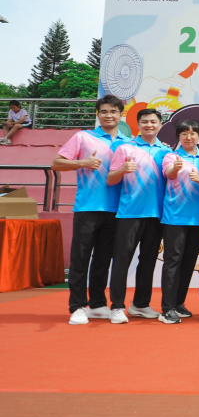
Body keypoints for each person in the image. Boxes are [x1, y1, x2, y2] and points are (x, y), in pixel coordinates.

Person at [55, 95, 128, 325]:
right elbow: (56, 163)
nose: (109, 115)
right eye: (104, 111)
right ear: (97, 114)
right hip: (88, 207)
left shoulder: (128, 143)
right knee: (81, 258)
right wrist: (82, 162)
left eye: (113, 111)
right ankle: (77, 306)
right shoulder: (83, 137)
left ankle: (97, 304)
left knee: (103, 259)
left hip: (116, 210)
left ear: (121, 115)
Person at [106, 108, 171, 324]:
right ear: (138, 124)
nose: (149, 125)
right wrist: (123, 169)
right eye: (144, 122)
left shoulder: (167, 151)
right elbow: (110, 179)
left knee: (148, 261)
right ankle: (117, 307)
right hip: (130, 213)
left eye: (153, 122)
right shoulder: (125, 148)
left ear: (160, 124)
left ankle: (140, 304)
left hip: (157, 214)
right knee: (122, 260)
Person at [158, 120, 199, 324]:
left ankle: (179, 303)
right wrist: (176, 168)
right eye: (184, 134)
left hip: (197, 218)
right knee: (173, 261)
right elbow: (169, 173)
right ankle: (167, 308)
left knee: (189, 262)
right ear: (179, 137)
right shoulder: (172, 157)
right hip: (174, 217)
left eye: (192, 133)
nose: (189, 137)